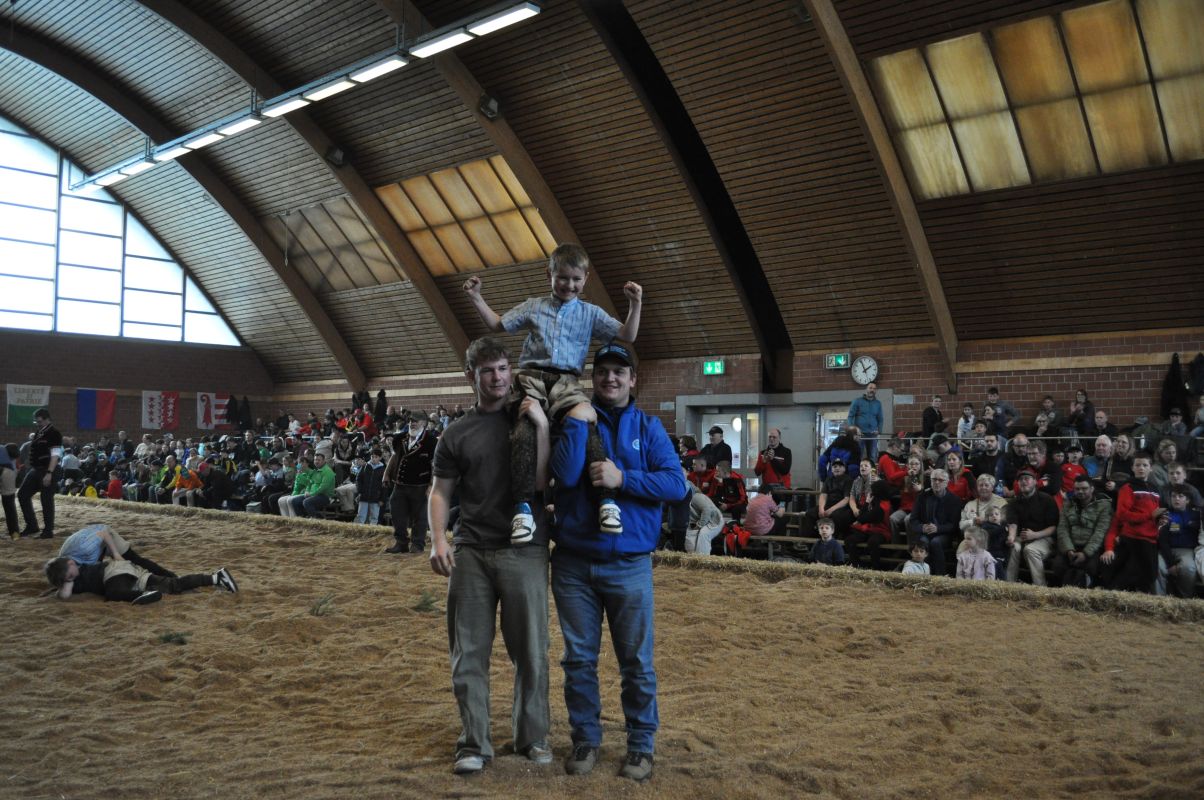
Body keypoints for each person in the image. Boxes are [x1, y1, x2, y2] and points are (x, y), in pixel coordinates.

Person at [549, 341, 687, 782]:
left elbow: (676, 484)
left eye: (619, 372)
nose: (611, 378)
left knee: (636, 663)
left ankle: (641, 746)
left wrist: (623, 478)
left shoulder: (649, 427)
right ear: (593, 378)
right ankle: (585, 739)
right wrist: (577, 421)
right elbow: (565, 475)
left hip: (629, 563)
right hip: (573, 563)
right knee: (578, 660)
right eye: (603, 371)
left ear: (632, 380)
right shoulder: (571, 420)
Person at [428, 337, 554, 776]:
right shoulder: (456, 433)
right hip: (472, 551)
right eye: (487, 371)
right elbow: (440, 492)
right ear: (471, 376)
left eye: (502, 368)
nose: (497, 378)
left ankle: (532, 736)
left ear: (510, 371)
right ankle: (473, 742)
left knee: (532, 652)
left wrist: (542, 426)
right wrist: (438, 539)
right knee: (468, 652)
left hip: (526, 550)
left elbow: (541, 484)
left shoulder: (528, 418)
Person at [463, 242, 642, 541]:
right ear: (549, 274)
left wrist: (635, 304)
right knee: (524, 430)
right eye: (562, 278)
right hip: (532, 378)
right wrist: (476, 297)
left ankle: (607, 502)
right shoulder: (534, 306)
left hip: (567, 382)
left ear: (586, 279)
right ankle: (523, 508)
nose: (569, 285)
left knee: (588, 427)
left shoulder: (590, 313)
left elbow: (627, 334)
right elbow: (497, 324)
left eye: (576, 279)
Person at [45, 550, 237, 605]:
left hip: (115, 571)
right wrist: (68, 581)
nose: (73, 574)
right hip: (127, 573)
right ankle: (215, 578)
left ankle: (140, 595)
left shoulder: (85, 569)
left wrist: (67, 581)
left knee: (113, 594)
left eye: (71, 572)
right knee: (172, 585)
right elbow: (63, 595)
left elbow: (64, 594)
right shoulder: (73, 581)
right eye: (69, 576)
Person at [1101, 453, 1162, 593]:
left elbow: (1156, 515)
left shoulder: (1155, 489)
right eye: (1138, 465)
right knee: (1127, 578)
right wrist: (1150, 516)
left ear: (1151, 468)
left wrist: (1160, 519)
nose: (1141, 468)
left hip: (1151, 540)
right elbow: (1123, 514)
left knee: (1149, 578)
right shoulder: (1127, 488)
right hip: (1133, 539)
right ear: (1132, 468)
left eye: (1145, 465)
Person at [384, 413, 437, 554]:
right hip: (400, 484)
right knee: (397, 514)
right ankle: (401, 543)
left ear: (424, 423)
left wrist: (431, 485)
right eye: (411, 421)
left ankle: (417, 545)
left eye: (416, 421)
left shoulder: (432, 441)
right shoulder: (399, 438)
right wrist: (386, 474)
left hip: (420, 486)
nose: (412, 423)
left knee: (420, 517)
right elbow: (395, 457)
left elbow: (435, 465)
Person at [1005, 468, 1060, 585]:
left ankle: (1040, 588)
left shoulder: (1047, 499)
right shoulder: (1015, 502)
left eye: (1027, 479)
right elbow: (1013, 523)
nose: (1023, 482)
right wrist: (1011, 537)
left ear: (1035, 482)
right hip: (1022, 537)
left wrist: (1035, 535)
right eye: (1020, 480)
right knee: (1014, 547)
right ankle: (1009, 586)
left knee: (1030, 550)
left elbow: (1053, 527)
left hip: (1045, 537)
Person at [906, 468, 963, 576]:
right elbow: (913, 520)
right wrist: (922, 527)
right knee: (923, 542)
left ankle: (940, 576)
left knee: (935, 542)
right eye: (934, 479)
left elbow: (954, 525)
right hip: (926, 532)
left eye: (940, 480)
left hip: (944, 533)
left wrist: (938, 528)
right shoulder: (922, 496)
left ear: (947, 482)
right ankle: (923, 575)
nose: (937, 482)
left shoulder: (954, 500)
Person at [17, 408, 62, 539]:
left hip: (48, 470)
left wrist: (49, 473)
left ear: (47, 419)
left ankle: (48, 530)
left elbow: (55, 455)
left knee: (46, 499)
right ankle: (32, 525)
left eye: (40, 421)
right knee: (22, 494)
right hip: (36, 470)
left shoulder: (54, 433)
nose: (37, 424)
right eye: (36, 422)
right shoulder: (39, 432)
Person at [1155, 486, 1200, 598]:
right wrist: (1170, 564)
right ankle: (1159, 600)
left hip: (1187, 550)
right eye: (1173, 496)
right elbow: (1163, 541)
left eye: (1180, 496)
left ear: (1187, 500)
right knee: (1158, 566)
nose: (1176, 499)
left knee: (1188, 568)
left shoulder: (1197, 515)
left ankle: (1184, 599)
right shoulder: (1166, 515)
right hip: (1166, 549)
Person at [845, 479, 892, 570]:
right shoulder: (880, 501)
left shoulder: (881, 506)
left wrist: (866, 502)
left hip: (881, 531)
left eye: (872, 490)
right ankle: (856, 566)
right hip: (870, 529)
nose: (871, 492)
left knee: (873, 541)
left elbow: (861, 518)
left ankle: (875, 568)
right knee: (849, 540)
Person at [684, 481, 725, 555]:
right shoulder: (684, 499)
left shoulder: (696, 497)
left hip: (714, 521)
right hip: (700, 521)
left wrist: (699, 525)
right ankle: (692, 557)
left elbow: (707, 510)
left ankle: (703, 559)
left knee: (703, 534)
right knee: (689, 534)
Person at [847, 383, 883, 458]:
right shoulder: (857, 401)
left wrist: (879, 430)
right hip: (860, 435)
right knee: (858, 455)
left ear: (876, 391)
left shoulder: (878, 403)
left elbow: (880, 418)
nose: (872, 390)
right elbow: (850, 416)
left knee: (873, 456)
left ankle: (872, 466)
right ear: (866, 389)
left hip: (873, 435)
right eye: (870, 388)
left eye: (874, 388)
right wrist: (853, 430)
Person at [753, 428, 792, 493]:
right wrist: (763, 462)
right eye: (770, 437)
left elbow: (785, 471)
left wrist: (773, 459)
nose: (771, 439)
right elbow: (757, 472)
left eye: (774, 437)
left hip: (782, 490)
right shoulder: (763, 453)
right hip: (767, 490)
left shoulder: (786, 452)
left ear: (779, 438)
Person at [355, 448, 387, 525]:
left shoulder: (383, 470)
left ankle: (372, 531)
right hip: (364, 496)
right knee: (360, 516)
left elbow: (384, 486)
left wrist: (382, 499)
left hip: (376, 498)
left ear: (380, 458)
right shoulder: (365, 466)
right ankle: (359, 530)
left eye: (376, 457)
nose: (373, 459)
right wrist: (360, 492)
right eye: (372, 456)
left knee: (374, 517)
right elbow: (359, 479)